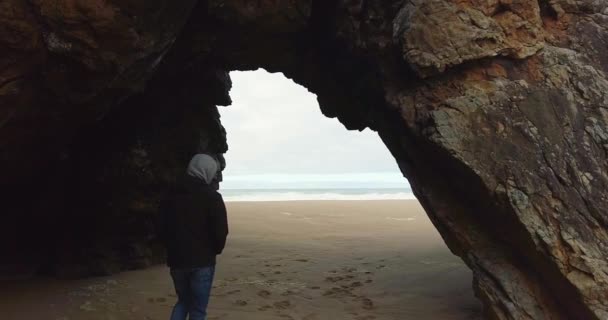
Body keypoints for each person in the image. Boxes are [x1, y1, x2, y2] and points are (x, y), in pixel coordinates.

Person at [159, 154, 229, 320]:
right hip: (203, 261)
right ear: (208, 172)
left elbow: (161, 228)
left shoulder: (170, 196)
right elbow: (221, 231)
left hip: (177, 260)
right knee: (198, 309)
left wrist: (170, 248)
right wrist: (216, 249)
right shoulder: (212, 197)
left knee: (183, 302)